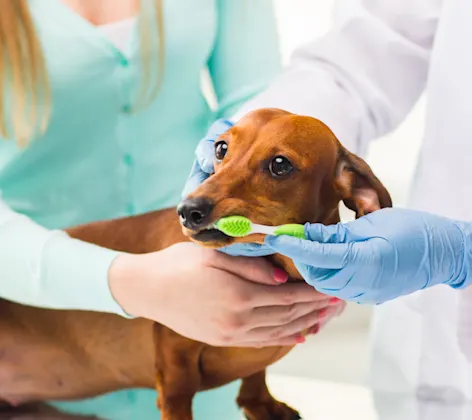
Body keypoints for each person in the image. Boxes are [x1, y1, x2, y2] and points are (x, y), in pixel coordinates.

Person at [0, 1, 344, 418]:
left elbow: (260, 107)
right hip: (27, 347)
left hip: (212, 350)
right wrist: (130, 282)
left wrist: (309, 238)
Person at [184, 0, 472, 406]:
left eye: (279, 166)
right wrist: (250, 144)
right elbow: (359, 58)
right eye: (221, 153)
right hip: (433, 367)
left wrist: (462, 251)